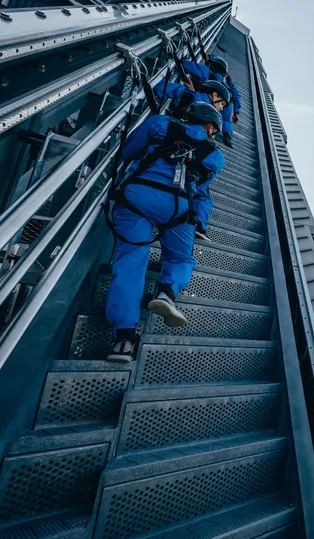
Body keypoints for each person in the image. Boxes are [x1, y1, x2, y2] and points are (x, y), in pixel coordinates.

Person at [105, 102, 225, 363]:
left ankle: (124, 339)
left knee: (131, 260)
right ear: (209, 125)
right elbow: (201, 186)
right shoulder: (217, 156)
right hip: (179, 208)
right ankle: (166, 293)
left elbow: (129, 152)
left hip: (138, 196)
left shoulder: (160, 122)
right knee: (181, 259)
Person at [152, 78, 231, 241]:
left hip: (165, 152)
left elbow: (161, 87)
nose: (221, 108)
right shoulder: (199, 104)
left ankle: (197, 222)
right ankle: (198, 224)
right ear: (214, 95)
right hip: (188, 166)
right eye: (222, 103)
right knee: (203, 194)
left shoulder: (187, 96)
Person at [182, 55, 241, 147]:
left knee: (211, 112)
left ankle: (208, 133)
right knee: (223, 118)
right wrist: (236, 112)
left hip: (213, 99)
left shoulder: (207, 72)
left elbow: (185, 65)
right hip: (228, 102)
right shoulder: (229, 81)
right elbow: (237, 95)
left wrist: (193, 93)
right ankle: (226, 135)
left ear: (212, 65)